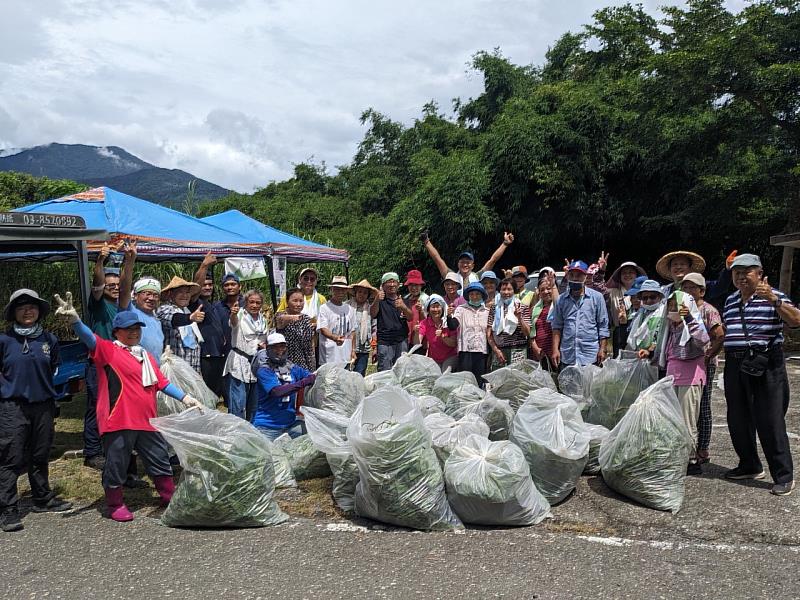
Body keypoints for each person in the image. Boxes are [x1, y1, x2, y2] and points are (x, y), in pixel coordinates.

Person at [55, 293, 202, 522]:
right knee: (117, 463)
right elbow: (90, 339)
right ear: (117, 331)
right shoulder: (109, 351)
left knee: (159, 458)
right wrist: (75, 321)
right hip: (119, 419)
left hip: (147, 420)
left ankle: (168, 495)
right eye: (128, 329)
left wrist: (186, 398)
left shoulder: (145, 356)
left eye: (137, 328)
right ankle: (114, 503)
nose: (134, 332)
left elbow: (161, 383)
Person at [721, 253, 800, 495]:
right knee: (737, 418)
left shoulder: (773, 296)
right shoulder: (730, 300)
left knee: (770, 419)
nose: (741, 276)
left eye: (747, 271)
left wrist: (774, 300)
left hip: (766, 361)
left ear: (760, 274)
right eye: (737, 272)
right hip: (734, 362)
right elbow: (728, 331)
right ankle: (749, 465)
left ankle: (783, 475)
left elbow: (796, 321)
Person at [0, 289, 72, 532]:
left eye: (32, 306)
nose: (27, 310)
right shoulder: (4, 340)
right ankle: (8, 509)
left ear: (39, 311)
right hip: (13, 407)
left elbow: (53, 367)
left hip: (43, 405)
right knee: (11, 457)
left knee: (40, 454)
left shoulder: (49, 340)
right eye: (21, 307)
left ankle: (42, 498)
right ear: (14, 313)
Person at [83, 241, 135, 471]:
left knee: (113, 405)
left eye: (116, 285)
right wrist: (100, 262)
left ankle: (109, 447)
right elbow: (96, 284)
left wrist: (129, 261)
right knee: (96, 405)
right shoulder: (97, 305)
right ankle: (92, 451)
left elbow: (125, 287)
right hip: (97, 363)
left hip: (116, 363)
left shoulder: (121, 306)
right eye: (109, 285)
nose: (114, 288)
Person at [663, 288, 710, 474]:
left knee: (687, 420)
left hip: (690, 377)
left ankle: (691, 459)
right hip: (673, 375)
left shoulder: (693, 324)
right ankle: (676, 456)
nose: (674, 310)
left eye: (678, 306)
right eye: (671, 306)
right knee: (673, 419)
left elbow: (703, 341)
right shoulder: (670, 326)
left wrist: (689, 318)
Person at [681, 272, 724, 464]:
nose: (689, 291)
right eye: (685, 288)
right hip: (685, 363)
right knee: (688, 407)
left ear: (702, 291)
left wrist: (710, 354)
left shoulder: (708, 310)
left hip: (705, 363)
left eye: (693, 288)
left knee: (704, 405)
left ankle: (703, 447)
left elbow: (719, 335)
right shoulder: (680, 308)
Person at [252, 333, 316, 441]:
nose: (279, 350)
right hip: (267, 427)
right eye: (275, 347)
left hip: (290, 424)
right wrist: (303, 383)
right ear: (268, 349)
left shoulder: (292, 367)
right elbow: (276, 392)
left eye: (282, 346)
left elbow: (311, 376)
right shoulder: (264, 370)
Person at [550, 260, 610, 369]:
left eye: (578, 275)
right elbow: (557, 327)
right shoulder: (561, 300)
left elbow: (603, 326)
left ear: (585, 276)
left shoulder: (596, 298)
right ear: (568, 276)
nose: (575, 278)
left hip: (590, 355)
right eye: (572, 275)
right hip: (568, 355)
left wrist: (602, 349)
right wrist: (555, 350)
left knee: (590, 386)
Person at [590, 253, 648, 357]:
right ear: (619, 277)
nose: (627, 275)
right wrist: (602, 271)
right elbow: (598, 289)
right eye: (624, 273)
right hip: (620, 333)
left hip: (641, 332)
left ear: (637, 275)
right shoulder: (613, 292)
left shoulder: (646, 292)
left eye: (631, 272)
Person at [224, 290, 268, 421]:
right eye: (252, 302)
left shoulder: (263, 320)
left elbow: (263, 338)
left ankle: (251, 430)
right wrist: (233, 314)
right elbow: (233, 323)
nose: (255, 305)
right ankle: (236, 430)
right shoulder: (240, 316)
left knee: (253, 402)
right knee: (238, 401)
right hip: (239, 361)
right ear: (246, 303)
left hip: (256, 363)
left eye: (258, 302)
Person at [422, 231, 515, 289]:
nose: (465, 265)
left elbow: (493, 260)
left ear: (473, 265)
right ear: (458, 264)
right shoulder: (451, 276)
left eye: (468, 262)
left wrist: (505, 244)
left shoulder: (478, 277)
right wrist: (426, 242)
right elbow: (437, 259)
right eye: (462, 262)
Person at [193, 253, 227, 403]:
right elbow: (195, 289)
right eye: (204, 285)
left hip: (217, 356)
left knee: (215, 397)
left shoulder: (213, 305)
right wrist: (204, 265)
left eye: (210, 285)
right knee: (205, 397)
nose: (207, 287)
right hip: (205, 357)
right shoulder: (195, 303)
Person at [156, 276, 205, 374]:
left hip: (193, 370)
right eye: (180, 292)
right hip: (174, 372)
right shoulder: (164, 309)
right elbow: (174, 319)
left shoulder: (187, 311)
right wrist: (190, 318)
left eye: (187, 292)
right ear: (171, 294)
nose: (185, 295)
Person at [371, 272, 413, 371]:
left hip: (401, 340)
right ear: (383, 285)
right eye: (389, 282)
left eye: (394, 282)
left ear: (398, 285)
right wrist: (377, 299)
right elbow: (372, 314)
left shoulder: (404, 300)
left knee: (401, 370)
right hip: (384, 342)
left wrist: (403, 307)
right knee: (385, 371)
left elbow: (410, 317)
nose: (392, 284)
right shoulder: (380, 301)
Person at [119, 275, 165, 364]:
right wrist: (129, 262)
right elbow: (124, 290)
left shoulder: (157, 321)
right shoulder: (131, 312)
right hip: (136, 370)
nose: (151, 298)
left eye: (155, 295)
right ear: (136, 295)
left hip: (154, 372)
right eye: (147, 294)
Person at [487, 277, 531, 369]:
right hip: (499, 350)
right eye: (503, 289)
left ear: (514, 291)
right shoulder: (494, 308)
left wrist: (519, 318)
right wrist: (496, 350)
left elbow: (527, 333)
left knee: (517, 380)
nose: (506, 292)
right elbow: (489, 333)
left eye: (509, 289)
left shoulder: (522, 307)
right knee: (499, 381)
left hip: (518, 350)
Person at [453, 282, 490, 383]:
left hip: (482, 351)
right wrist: (449, 316)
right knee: (465, 381)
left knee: (479, 381)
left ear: (482, 295)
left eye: (477, 294)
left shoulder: (487, 311)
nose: (474, 296)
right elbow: (453, 325)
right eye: (472, 294)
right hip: (466, 351)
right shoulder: (461, 309)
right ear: (468, 296)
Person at [317, 276, 357, 365]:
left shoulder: (350, 309)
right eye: (337, 289)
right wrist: (334, 337)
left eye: (343, 290)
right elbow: (323, 329)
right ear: (332, 290)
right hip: (329, 356)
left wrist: (353, 350)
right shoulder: (324, 308)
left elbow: (352, 332)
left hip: (345, 355)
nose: (340, 292)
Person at [275, 288, 316, 372]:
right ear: (287, 301)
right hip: (286, 362)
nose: (298, 304)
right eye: (295, 301)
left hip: (305, 362)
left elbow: (310, 343)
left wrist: (312, 362)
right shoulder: (281, 315)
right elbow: (280, 320)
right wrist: (294, 317)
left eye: (301, 301)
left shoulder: (306, 318)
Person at [415, 294, 459, 372]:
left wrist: (442, 337)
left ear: (442, 308)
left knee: (444, 374)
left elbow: (453, 343)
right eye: (433, 307)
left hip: (450, 356)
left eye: (438, 306)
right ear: (428, 309)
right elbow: (418, 343)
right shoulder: (424, 323)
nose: (436, 309)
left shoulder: (449, 322)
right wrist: (416, 332)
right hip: (434, 358)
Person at [626, 280, 667, 360]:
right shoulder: (641, 314)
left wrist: (649, 351)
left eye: (652, 297)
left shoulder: (664, 313)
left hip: (657, 357)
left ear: (659, 297)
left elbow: (660, 335)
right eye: (645, 298)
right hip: (641, 356)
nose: (648, 301)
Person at [348, 279, 377, 376]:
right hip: (348, 347)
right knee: (346, 373)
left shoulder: (370, 309)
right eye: (359, 292)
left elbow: (374, 328)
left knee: (360, 374)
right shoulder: (347, 306)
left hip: (364, 347)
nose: (362, 294)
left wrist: (374, 346)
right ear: (355, 293)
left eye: (365, 293)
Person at [529, 278, 557, 370]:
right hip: (539, 353)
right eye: (542, 290)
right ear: (539, 293)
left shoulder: (559, 307)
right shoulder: (534, 309)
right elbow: (531, 332)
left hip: (555, 352)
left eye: (548, 288)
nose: (546, 292)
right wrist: (535, 347)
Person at [402, 270, 428, 351]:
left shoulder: (426, 299)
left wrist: (421, 311)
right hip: (407, 337)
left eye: (416, 285)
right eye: (411, 285)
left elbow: (429, 320)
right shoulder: (405, 299)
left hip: (421, 338)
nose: (414, 288)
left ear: (421, 286)